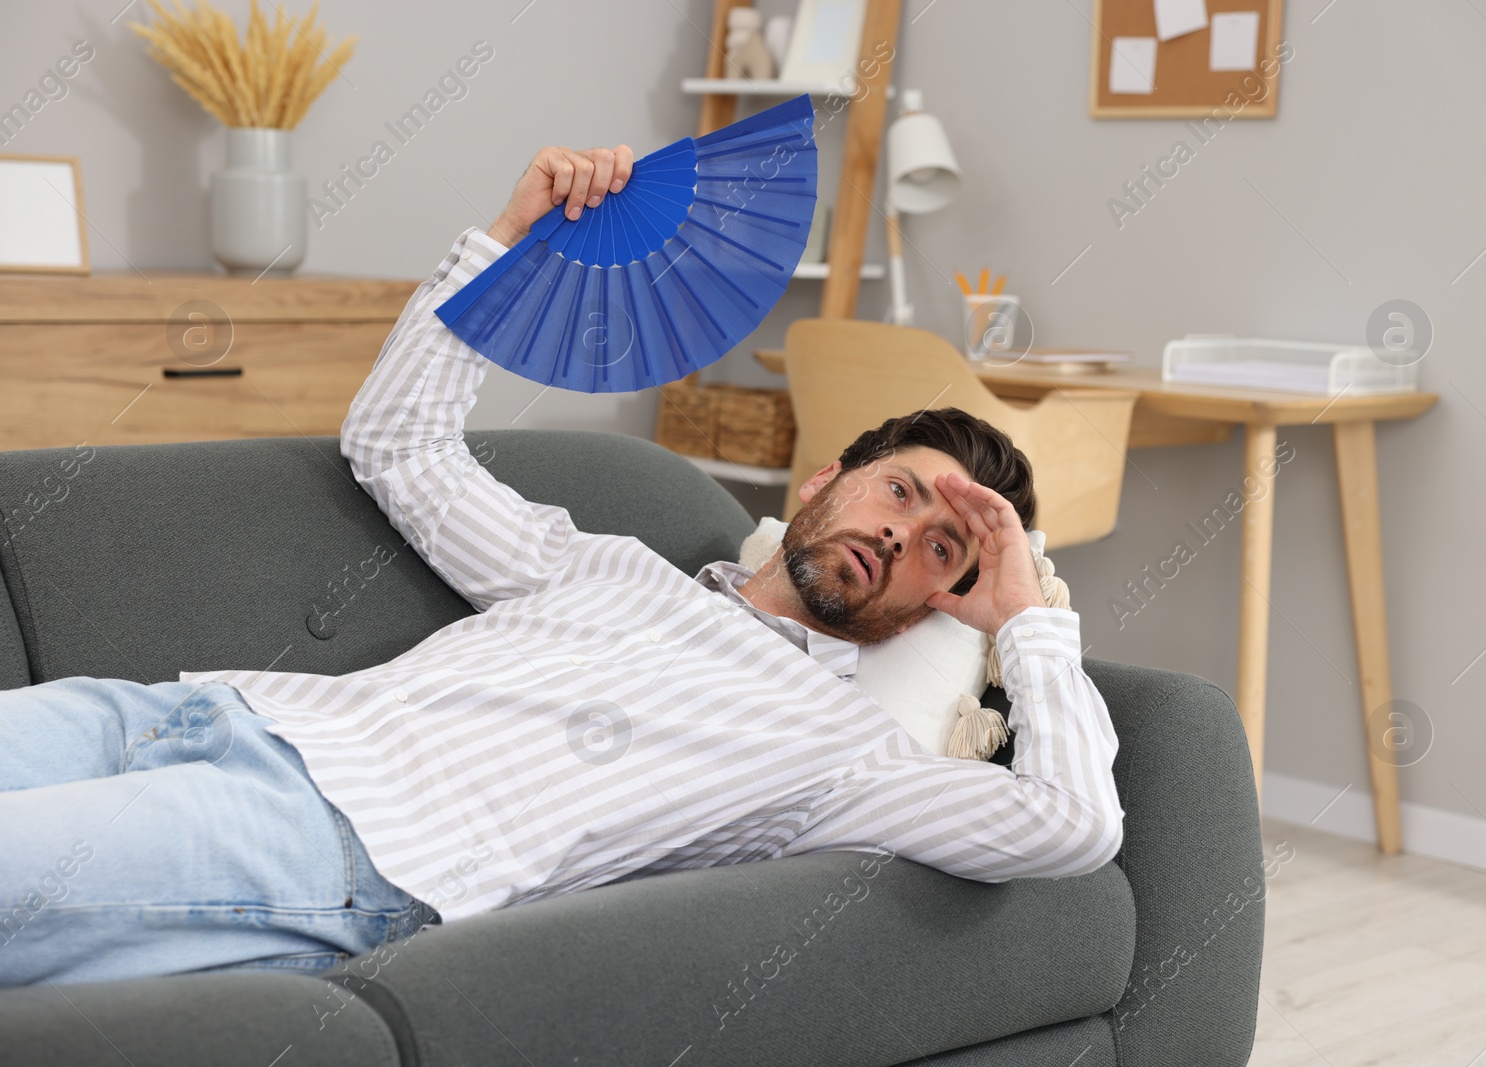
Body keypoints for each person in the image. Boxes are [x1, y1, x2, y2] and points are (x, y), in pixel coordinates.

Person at [0, 144, 1122, 989]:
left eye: (944, 548)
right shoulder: (610, 566)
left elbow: (1070, 821)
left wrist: (1018, 610)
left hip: (338, 841)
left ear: (945, 597)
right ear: (826, 477)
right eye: (900, 490)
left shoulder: (845, 757)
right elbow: (397, 444)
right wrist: (509, 238)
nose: (901, 532)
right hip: (207, 711)